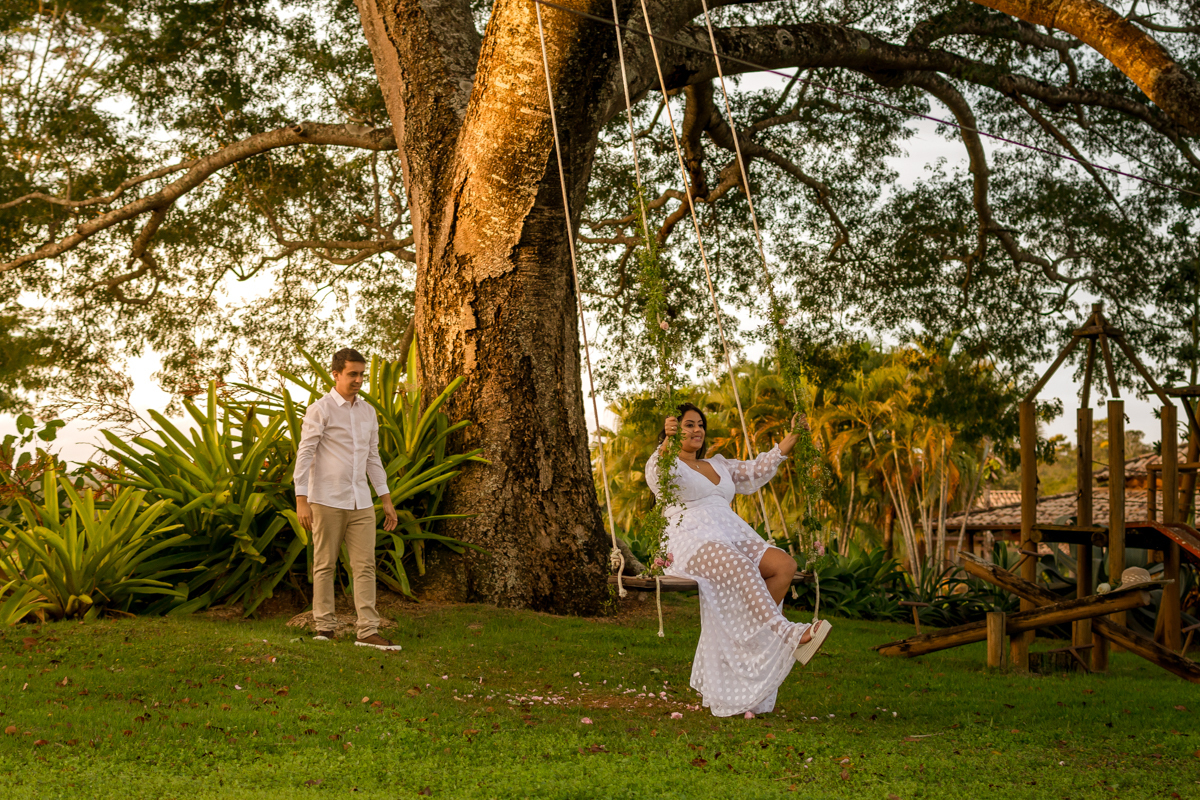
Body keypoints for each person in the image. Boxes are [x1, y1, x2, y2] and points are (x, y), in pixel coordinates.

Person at [644, 403, 831, 717]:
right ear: (673, 429)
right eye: (688, 425)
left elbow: (757, 469)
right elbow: (656, 474)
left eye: (700, 424)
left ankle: (748, 638)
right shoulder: (667, 463)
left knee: (784, 566)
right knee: (744, 566)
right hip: (689, 538)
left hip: (730, 533)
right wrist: (667, 442)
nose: (697, 430)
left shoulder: (717, 464)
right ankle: (788, 634)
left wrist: (794, 436)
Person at [294, 348, 401, 651]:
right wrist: (301, 499)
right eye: (352, 374)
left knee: (365, 566)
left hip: (361, 501)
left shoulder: (368, 412)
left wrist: (385, 498)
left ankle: (367, 632)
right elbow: (305, 453)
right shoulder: (320, 409)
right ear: (336, 374)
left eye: (361, 374)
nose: (358, 380)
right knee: (324, 564)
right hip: (326, 499)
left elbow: (372, 457)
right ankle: (324, 628)